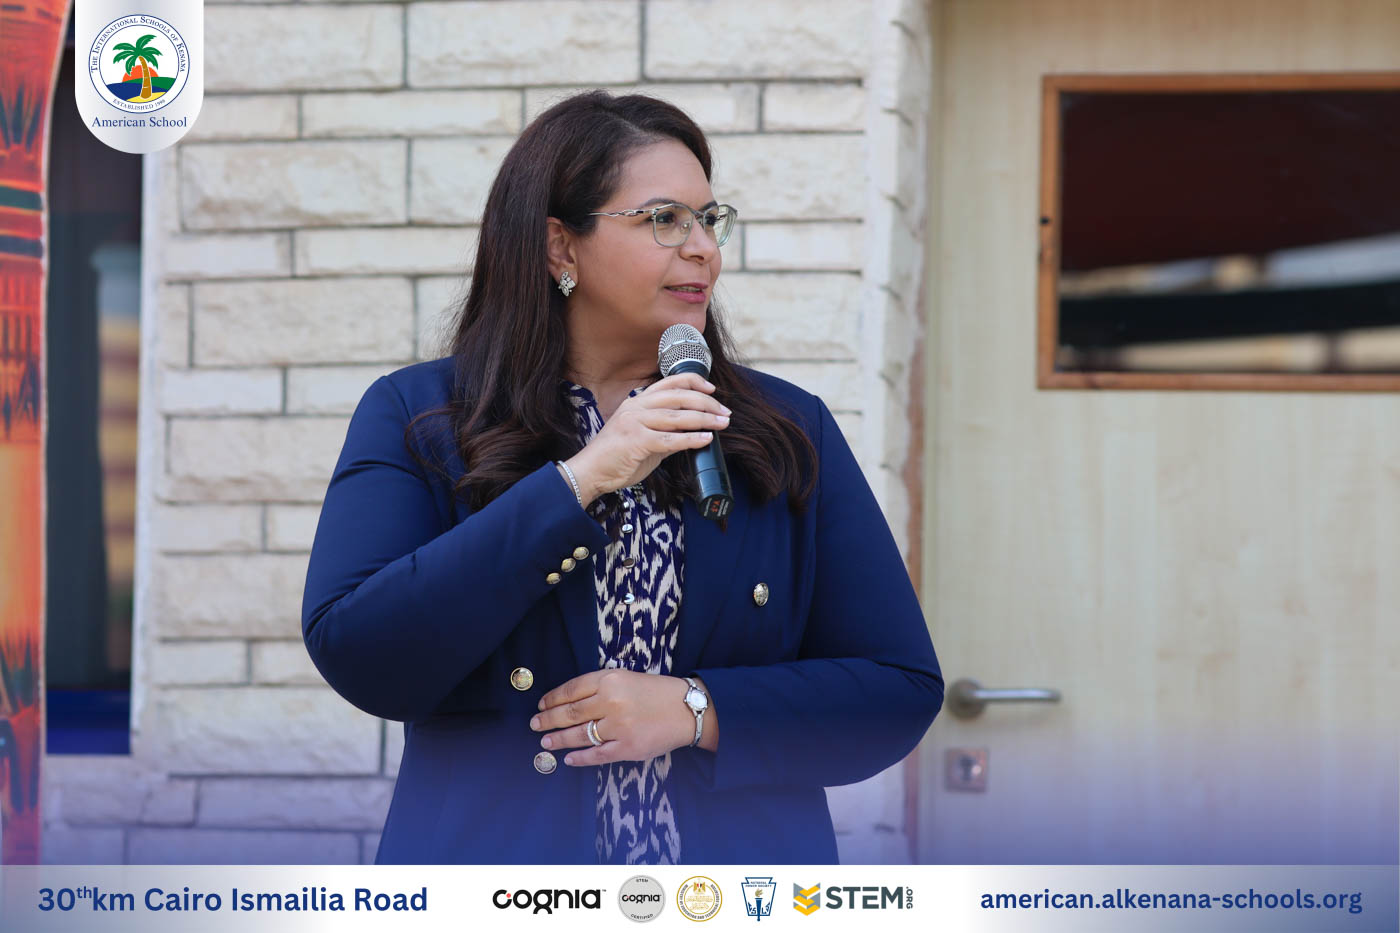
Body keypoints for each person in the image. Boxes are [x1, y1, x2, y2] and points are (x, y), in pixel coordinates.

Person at [301, 90, 943, 865]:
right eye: (664, 218)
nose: (703, 248)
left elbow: (897, 688)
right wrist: (579, 481)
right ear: (559, 247)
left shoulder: (783, 429)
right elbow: (361, 653)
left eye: (710, 219)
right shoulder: (423, 416)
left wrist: (695, 708)